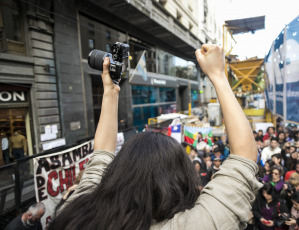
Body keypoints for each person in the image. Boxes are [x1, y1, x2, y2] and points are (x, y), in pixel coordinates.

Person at [49, 44, 261, 229]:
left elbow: (101, 153)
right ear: (179, 182)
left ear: (119, 172)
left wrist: (111, 91)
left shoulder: (77, 210)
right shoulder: (194, 224)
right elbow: (244, 158)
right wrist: (218, 75)